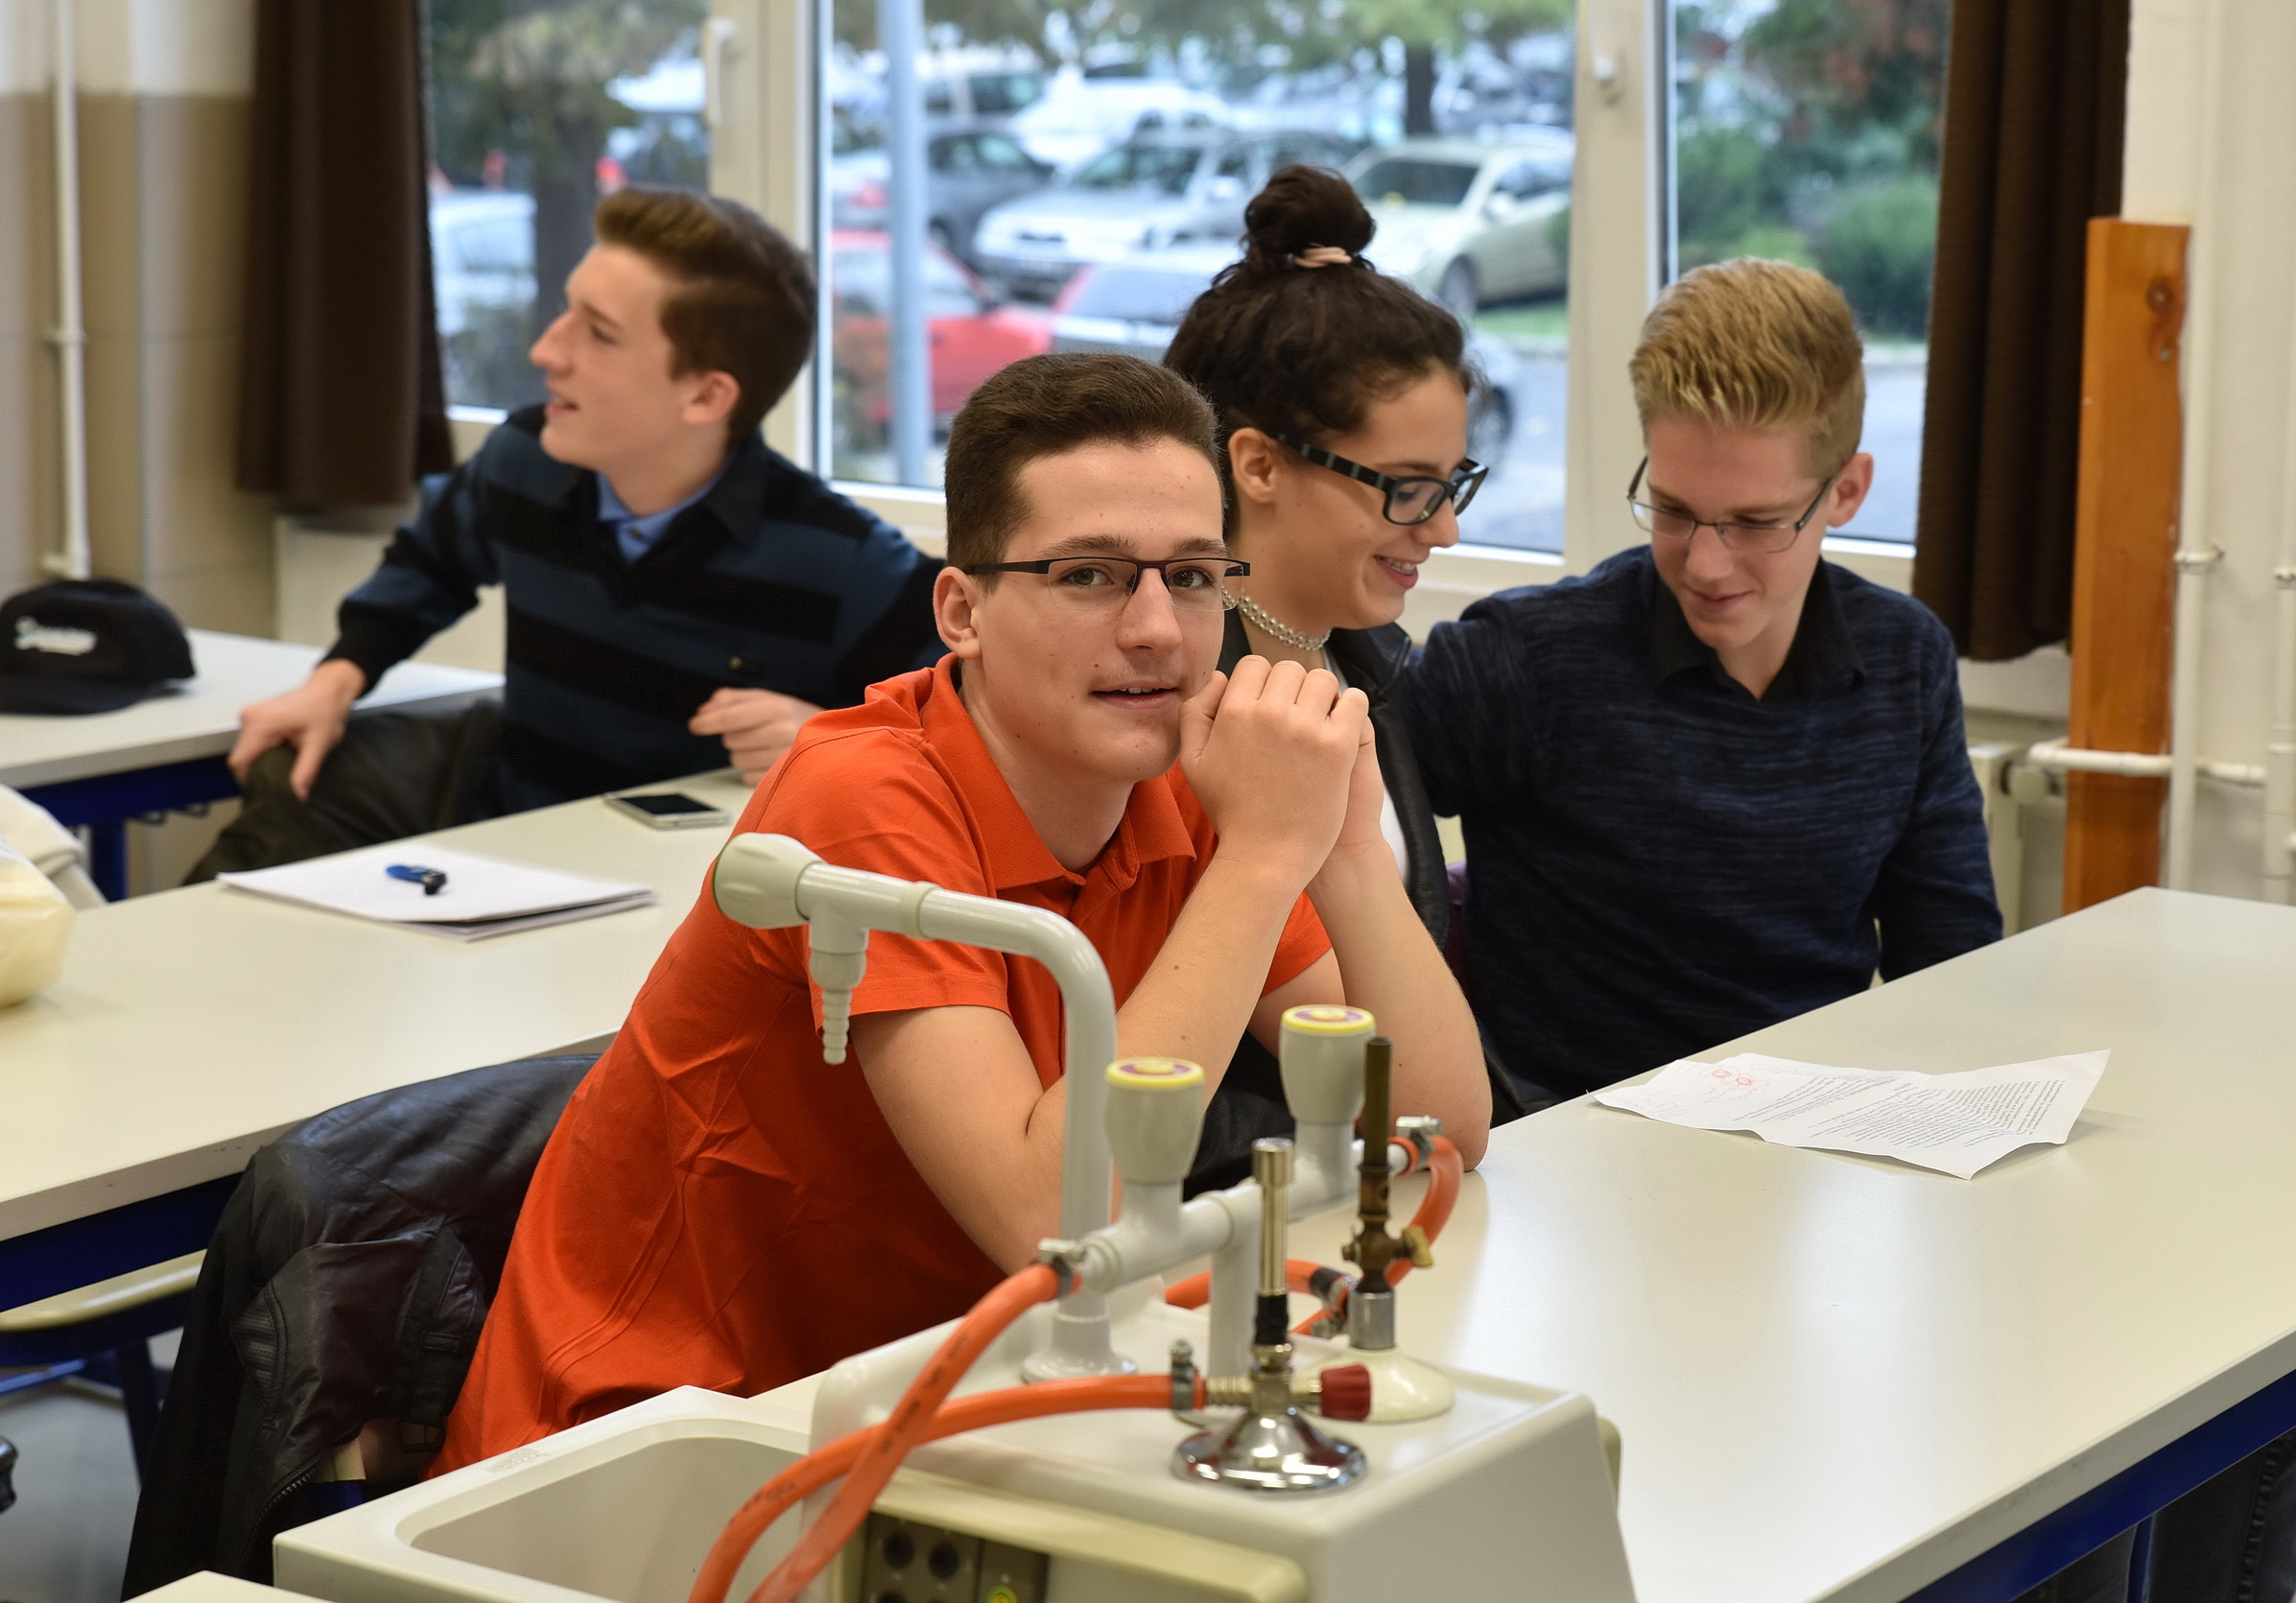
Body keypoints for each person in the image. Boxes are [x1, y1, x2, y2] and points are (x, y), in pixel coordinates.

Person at [432, 353, 1490, 1470]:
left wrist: (1343, 849)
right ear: (961, 611)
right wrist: (1267, 858)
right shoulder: (859, 798)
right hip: (656, 1434)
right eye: (1088, 575)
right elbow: (1056, 1224)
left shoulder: (1186, 780)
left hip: (947, 1393)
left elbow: (1437, 1129)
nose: (1156, 630)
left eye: (1190, 576)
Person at [1407, 257, 2000, 1108]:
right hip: (1565, 1136)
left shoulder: (1905, 659)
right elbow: (1333, 829)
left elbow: (1948, 963)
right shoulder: (1524, 659)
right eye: (1674, 510)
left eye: (1756, 522)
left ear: (1846, 491)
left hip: (1809, 1135)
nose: (1707, 565)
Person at [224, 187, 942, 826]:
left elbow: (973, 731)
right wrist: (333, 682)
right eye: (567, 311)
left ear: (704, 395)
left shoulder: (844, 559)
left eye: (598, 333)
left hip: (701, 908)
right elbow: (429, 565)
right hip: (519, 860)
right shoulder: (523, 460)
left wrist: (835, 743)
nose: (545, 350)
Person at [1158, 165, 1528, 1164]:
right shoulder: (1188, 702)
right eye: (1406, 488)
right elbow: (1391, 1086)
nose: (1443, 528)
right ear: (1258, 464)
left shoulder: (1364, 659)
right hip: (1252, 1201)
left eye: (1452, 484)